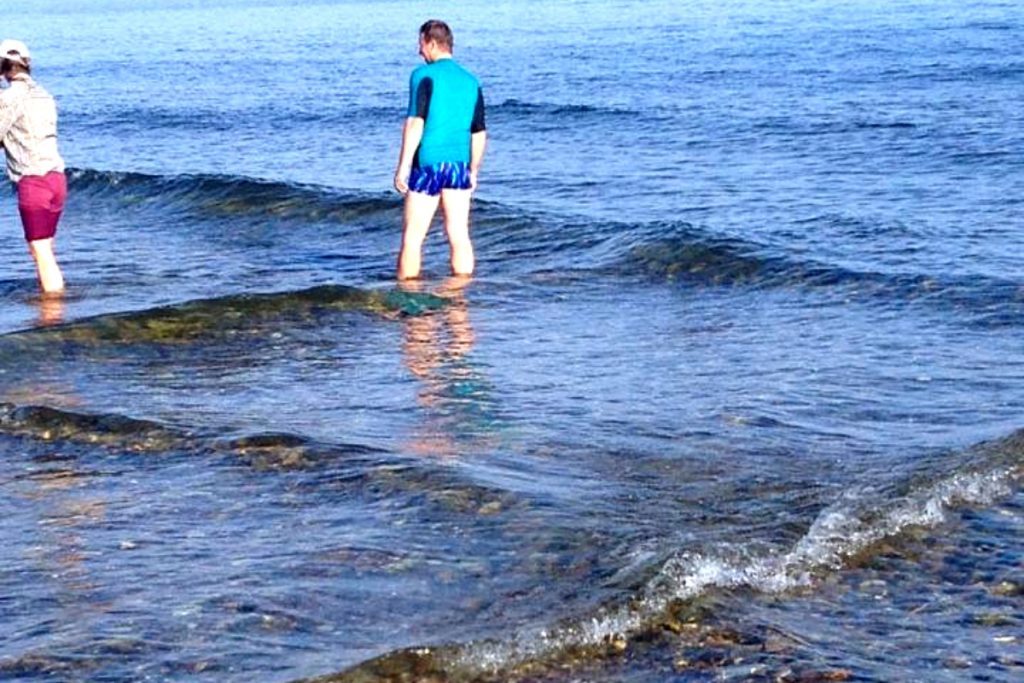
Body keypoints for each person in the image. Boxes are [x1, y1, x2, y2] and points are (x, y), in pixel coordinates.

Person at [394, 20, 487, 280]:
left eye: (421, 44)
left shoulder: (422, 76)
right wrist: (474, 170)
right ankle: (460, 300)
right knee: (459, 234)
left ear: (432, 43)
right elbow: (479, 131)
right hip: (459, 165)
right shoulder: (471, 81)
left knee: (413, 237)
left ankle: (409, 300)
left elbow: (415, 122)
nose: (419, 51)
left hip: (428, 163)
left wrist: (402, 168)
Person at [0, 39, 67, 294]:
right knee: (44, 247)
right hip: (56, 179)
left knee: (40, 250)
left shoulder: (9, 99)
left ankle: (52, 313)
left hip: (33, 181)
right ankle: (51, 301)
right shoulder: (44, 95)